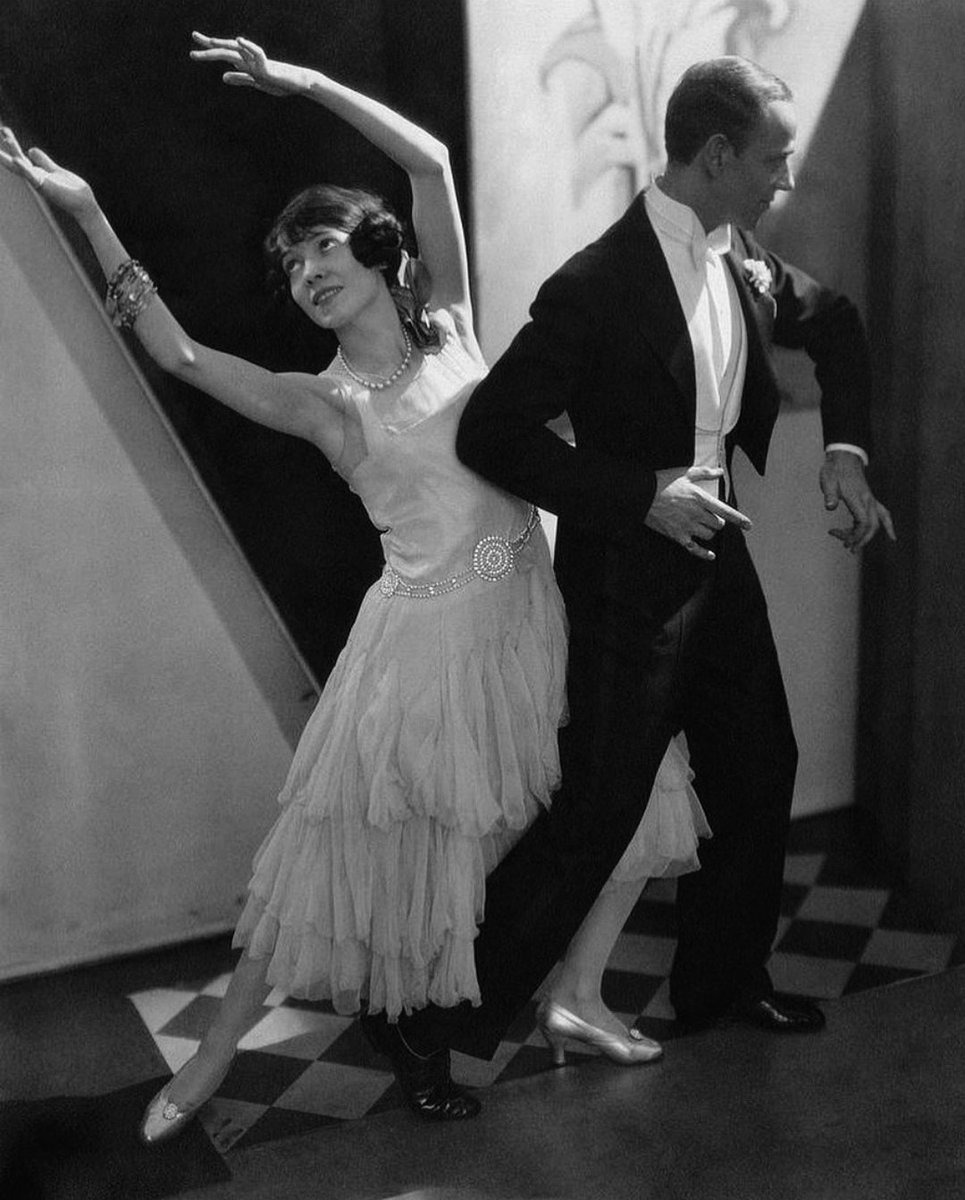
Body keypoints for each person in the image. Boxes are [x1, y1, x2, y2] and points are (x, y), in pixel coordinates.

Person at [0, 33, 710, 1133]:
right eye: (288, 267)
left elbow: (427, 164)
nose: (306, 274)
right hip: (423, 650)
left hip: (530, 617)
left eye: (319, 247)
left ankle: (574, 996)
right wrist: (89, 214)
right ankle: (213, 1062)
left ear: (375, 249)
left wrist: (306, 83)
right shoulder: (323, 403)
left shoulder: (462, 331)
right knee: (362, 864)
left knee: (628, 794)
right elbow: (181, 358)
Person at [388, 54, 896, 1069]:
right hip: (628, 574)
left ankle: (718, 986)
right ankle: (431, 1025)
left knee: (759, 770)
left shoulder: (738, 251)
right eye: (769, 160)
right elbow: (494, 433)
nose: (780, 179)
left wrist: (843, 453)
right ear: (713, 154)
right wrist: (636, 499)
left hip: (720, 558)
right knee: (598, 803)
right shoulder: (592, 286)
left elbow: (833, 326)